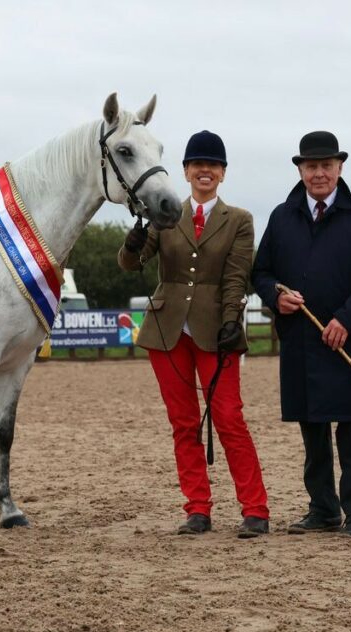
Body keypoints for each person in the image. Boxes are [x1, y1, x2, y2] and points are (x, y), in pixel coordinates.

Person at [118, 130, 269, 539]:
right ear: (185, 172)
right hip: (167, 331)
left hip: (215, 329)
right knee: (183, 422)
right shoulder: (166, 213)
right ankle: (197, 509)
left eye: (213, 165)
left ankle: (255, 508)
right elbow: (132, 263)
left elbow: (237, 275)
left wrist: (231, 318)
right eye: (197, 164)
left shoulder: (239, 220)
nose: (205, 170)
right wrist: (131, 245)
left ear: (222, 173)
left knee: (228, 418)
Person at [251, 131, 351, 538]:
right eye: (311, 166)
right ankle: (322, 508)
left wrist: (347, 319)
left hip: (349, 342)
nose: (319, 173)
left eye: (326, 166)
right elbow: (261, 272)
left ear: (340, 168)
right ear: (300, 169)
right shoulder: (282, 217)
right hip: (302, 342)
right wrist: (274, 296)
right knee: (312, 432)